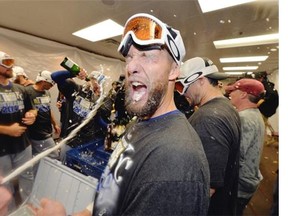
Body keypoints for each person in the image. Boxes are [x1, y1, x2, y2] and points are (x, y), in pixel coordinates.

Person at [35, 13, 210, 216]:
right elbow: (110, 198)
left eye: (148, 56)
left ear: (173, 71)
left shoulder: (175, 160)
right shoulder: (141, 124)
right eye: (130, 57)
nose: (131, 67)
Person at [176, 56, 241, 215]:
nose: (182, 93)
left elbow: (207, 187)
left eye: (182, 86)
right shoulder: (226, 106)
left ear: (200, 80)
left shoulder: (208, 119)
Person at [0, 51, 37, 211]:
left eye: (11, 62)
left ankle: (25, 210)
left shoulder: (20, 89)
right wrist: (7, 130)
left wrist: (32, 115)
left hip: (23, 145)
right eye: (6, 63)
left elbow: (32, 109)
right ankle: (7, 211)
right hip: (2, 151)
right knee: (5, 184)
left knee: (27, 176)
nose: (11, 66)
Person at [225, 78, 265, 215]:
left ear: (243, 94)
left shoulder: (244, 119)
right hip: (248, 181)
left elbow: (237, 158)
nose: (230, 94)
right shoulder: (254, 114)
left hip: (240, 185)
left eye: (233, 91)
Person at [51, 69, 107, 160]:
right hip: (70, 140)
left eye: (100, 85)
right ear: (89, 81)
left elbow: (97, 119)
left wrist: (109, 127)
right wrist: (74, 72)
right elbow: (55, 76)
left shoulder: (97, 101)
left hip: (86, 142)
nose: (98, 87)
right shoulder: (76, 90)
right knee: (64, 167)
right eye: (96, 83)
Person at [25, 70, 61, 171]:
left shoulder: (47, 93)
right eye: (51, 83)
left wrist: (54, 124)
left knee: (38, 157)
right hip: (36, 132)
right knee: (54, 156)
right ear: (44, 81)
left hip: (47, 130)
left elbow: (48, 109)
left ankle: (37, 176)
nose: (52, 86)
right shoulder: (28, 92)